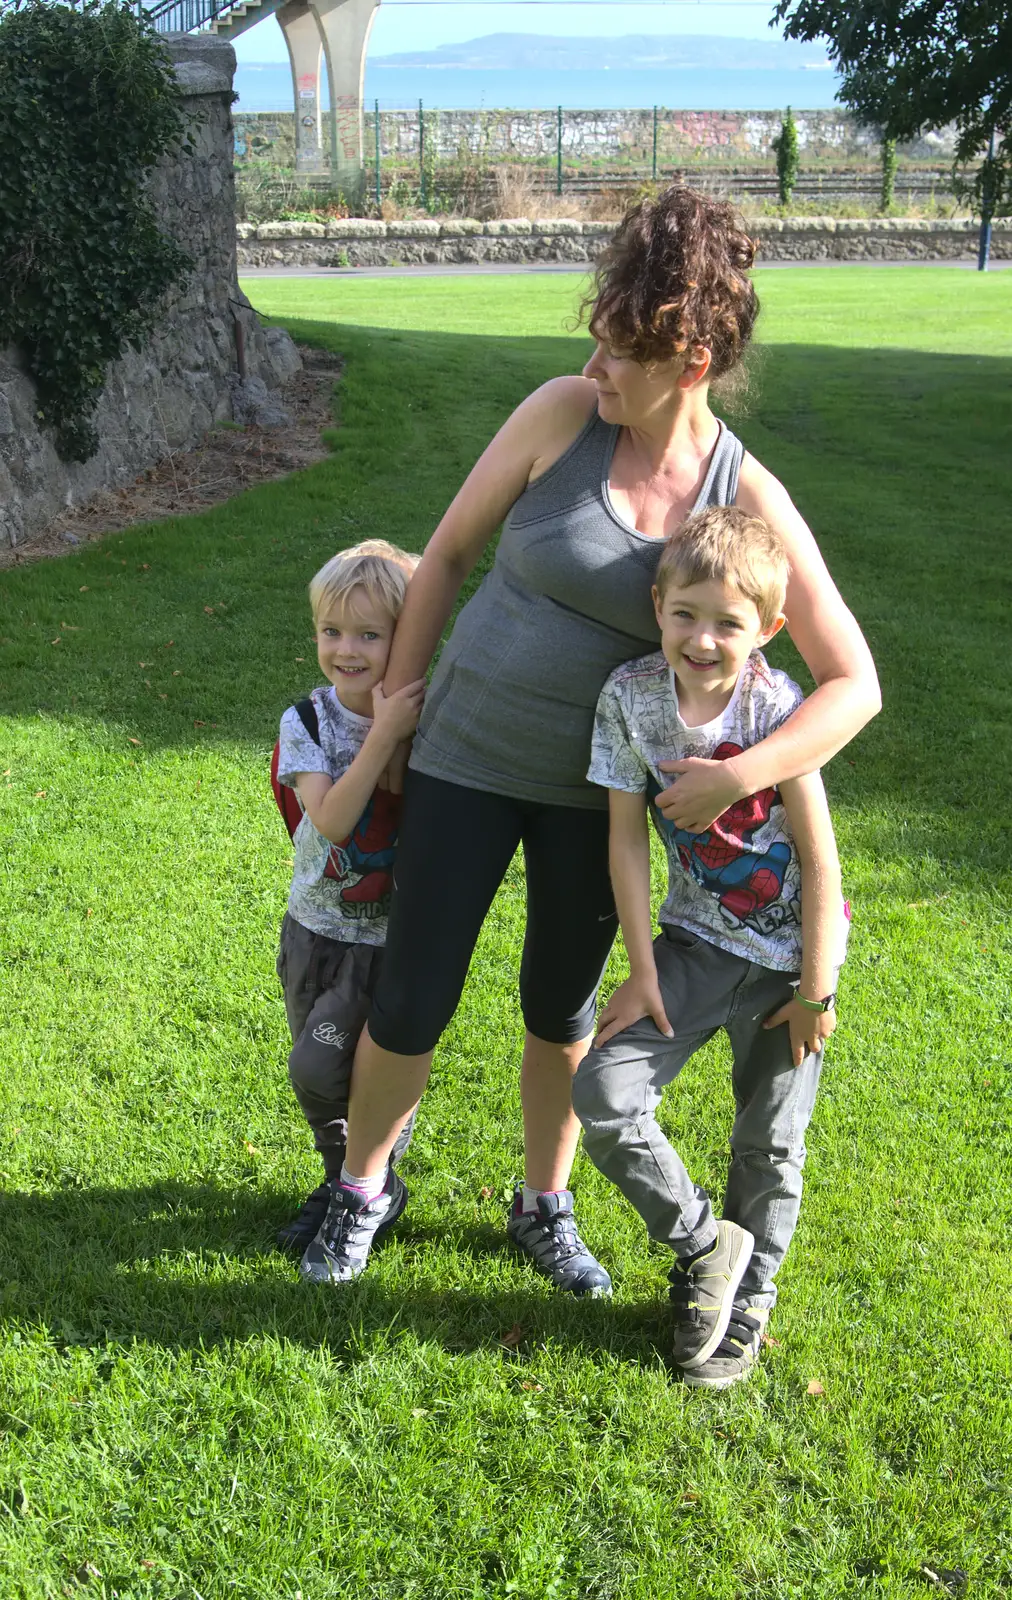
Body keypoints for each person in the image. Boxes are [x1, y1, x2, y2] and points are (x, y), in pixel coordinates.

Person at [301, 184, 880, 1292]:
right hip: (462, 758)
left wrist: (737, 775)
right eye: (597, 337)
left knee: (559, 1005)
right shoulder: (561, 414)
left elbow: (854, 684)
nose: (594, 363)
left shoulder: (741, 492)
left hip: (591, 799)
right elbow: (449, 552)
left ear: (692, 358)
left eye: (620, 348)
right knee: (412, 995)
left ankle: (543, 1205)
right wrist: (391, 717)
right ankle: (360, 1191)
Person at [572, 505, 848, 1389]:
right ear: (658, 604)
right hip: (690, 944)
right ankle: (705, 1246)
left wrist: (815, 991)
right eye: (686, 613)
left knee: (770, 1143)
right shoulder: (628, 698)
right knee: (603, 1089)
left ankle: (749, 1302)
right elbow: (623, 838)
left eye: (729, 623)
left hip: (786, 969)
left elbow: (818, 860)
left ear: (767, 629)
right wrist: (642, 966)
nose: (703, 638)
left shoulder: (779, 709)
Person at [273, 539, 425, 1265]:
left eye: (370, 633)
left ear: (404, 639)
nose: (347, 649)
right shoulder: (305, 720)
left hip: (381, 942)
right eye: (332, 631)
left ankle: (357, 1182)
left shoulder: (426, 725)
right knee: (316, 1061)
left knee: (320, 1068)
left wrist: (398, 731)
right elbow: (328, 821)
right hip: (310, 929)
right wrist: (382, 733)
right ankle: (356, 1182)